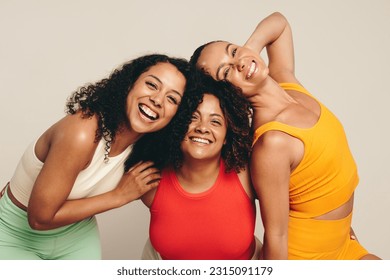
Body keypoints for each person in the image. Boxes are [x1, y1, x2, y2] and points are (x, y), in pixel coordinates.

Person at [189, 12, 381, 260]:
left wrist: (247, 53)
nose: (237, 63)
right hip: (309, 259)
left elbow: (279, 23)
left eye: (233, 51)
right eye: (227, 72)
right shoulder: (272, 142)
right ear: (229, 94)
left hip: (342, 242)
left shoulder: (286, 80)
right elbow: (276, 235)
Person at [0, 54, 191, 260]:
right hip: (14, 233)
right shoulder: (82, 132)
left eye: (172, 98)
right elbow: (39, 218)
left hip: (75, 234)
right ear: (129, 84)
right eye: (152, 85)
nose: (157, 100)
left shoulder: (146, 150)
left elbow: (179, 208)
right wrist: (119, 195)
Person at [125, 72, 261, 259]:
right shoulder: (150, 180)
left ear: (226, 137)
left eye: (215, 121)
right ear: (178, 126)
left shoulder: (247, 174)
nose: (203, 127)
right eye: (193, 118)